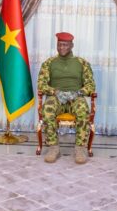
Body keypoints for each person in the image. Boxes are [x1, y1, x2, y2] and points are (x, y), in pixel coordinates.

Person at [37, 32, 96, 164]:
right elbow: (41, 84)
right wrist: (55, 92)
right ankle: (53, 148)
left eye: (65, 45)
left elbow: (91, 85)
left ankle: (80, 149)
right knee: (47, 110)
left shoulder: (82, 63)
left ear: (71, 46)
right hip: (56, 97)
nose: (62, 47)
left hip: (75, 96)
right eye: (59, 45)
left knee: (83, 110)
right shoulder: (49, 63)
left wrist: (79, 92)